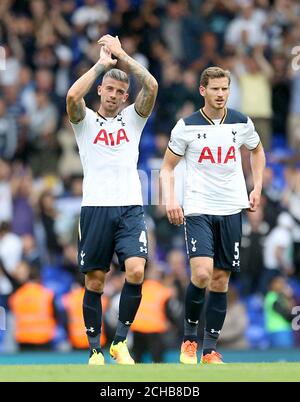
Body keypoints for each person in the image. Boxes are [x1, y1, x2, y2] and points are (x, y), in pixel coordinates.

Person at [160, 66, 266, 364]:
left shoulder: (241, 122)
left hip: (232, 208)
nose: (220, 94)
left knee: (220, 281)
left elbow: (257, 151)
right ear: (202, 90)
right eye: (215, 89)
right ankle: (189, 340)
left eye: (225, 89)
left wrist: (256, 187)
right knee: (202, 273)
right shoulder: (186, 126)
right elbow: (167, 168)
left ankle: (210, 350)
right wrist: (170, 199)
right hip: (198, 208)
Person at [66, 34, 158, 365]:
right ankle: (95, 350)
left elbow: (152, 86)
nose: (115, 96)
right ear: (101, 90)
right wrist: (102, 64)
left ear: (125, 97)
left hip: (130, 206)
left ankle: (120, 341)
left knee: (136, 270)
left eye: (121, 92)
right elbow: (73, 95)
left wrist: (122, 55)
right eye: (110, 89)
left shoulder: (133, 118)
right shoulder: (85, 121)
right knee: (95, 280)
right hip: (94, 208)